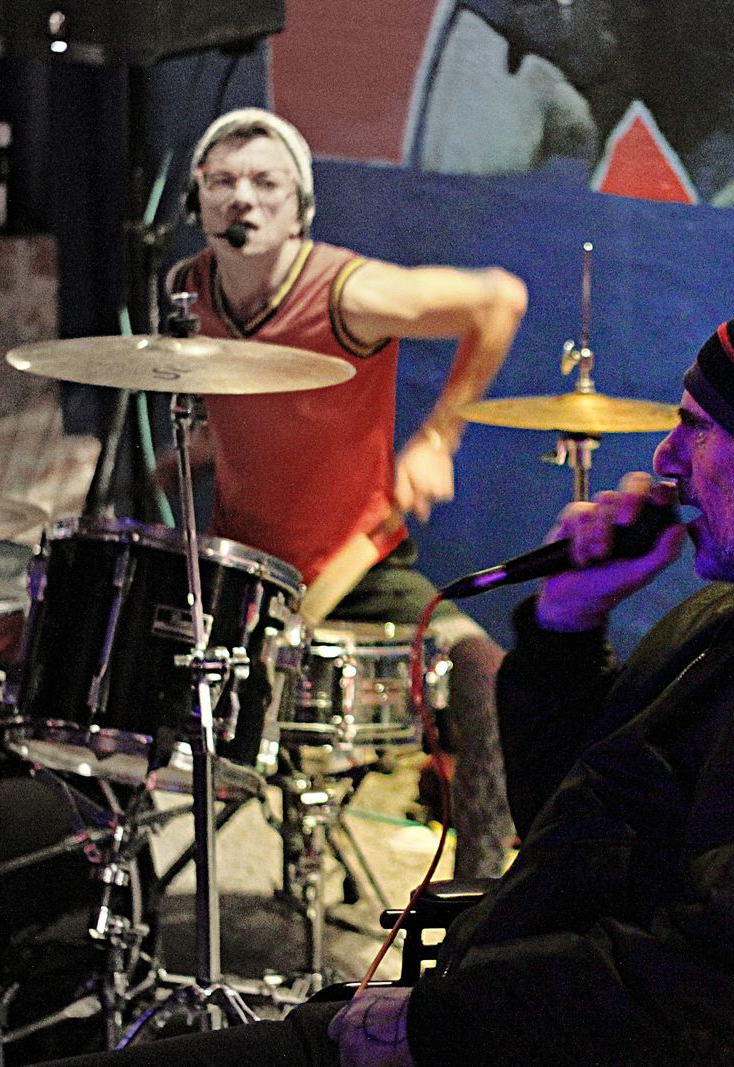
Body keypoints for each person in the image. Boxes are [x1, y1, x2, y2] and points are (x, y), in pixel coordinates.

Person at [43, 282, 734, 1066]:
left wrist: (436, 1023)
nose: (666, 456)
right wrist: (568, 621)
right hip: (518, 1012)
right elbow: (574, 810)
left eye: (697, 427)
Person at [165, 108, 529, 877]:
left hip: (355, 564)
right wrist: (192, 456)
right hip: (241, 569)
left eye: (266, 182)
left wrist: (439, 437)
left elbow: (499, 299)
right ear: (197, 200)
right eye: (223, 181)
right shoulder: (184, 294)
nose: (243, 197)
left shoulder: (348, 293)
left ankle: (480, 896)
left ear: (299, 209)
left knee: (484, 677)